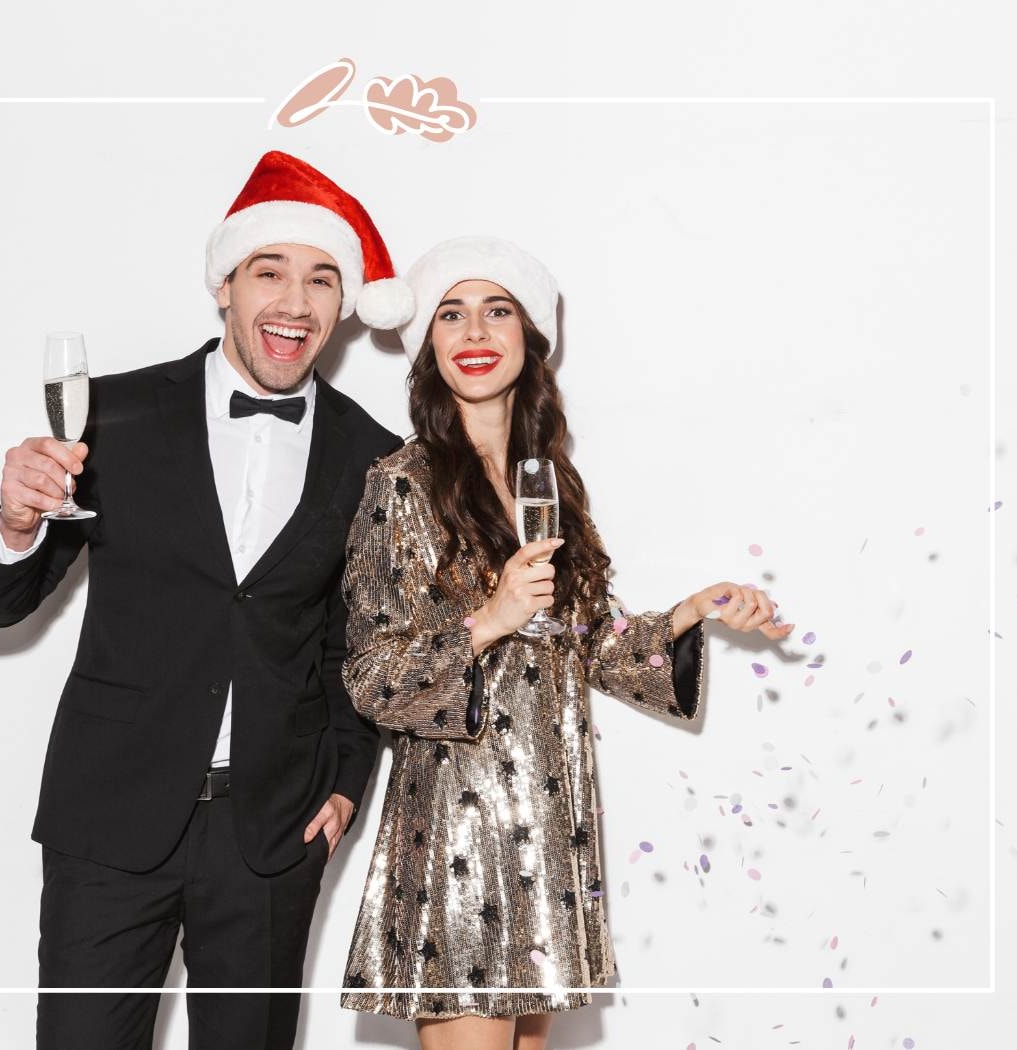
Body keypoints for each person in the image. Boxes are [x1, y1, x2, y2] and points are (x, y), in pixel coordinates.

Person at [0, 150, 418, 1050]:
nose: (295, 302)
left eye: (322, 279)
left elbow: (353, 643)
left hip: (271, 836)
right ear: (224, 285)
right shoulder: (114, 414)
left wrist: (344, 785)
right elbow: (2, 606)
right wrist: (17, 521)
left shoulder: (374, 455)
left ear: (341, 304)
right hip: (111, 817)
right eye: (270, 272)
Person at [337, 236, 795, 1049]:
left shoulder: (549, 481)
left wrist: (693, 612)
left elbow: (584, 643)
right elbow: (372, 675)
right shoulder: (401, 482)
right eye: (451, 313)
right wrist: (488, 617)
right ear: (429, 346)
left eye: (496, 310)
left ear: (530, 337)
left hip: (550, 820)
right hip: (457, 826)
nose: (475, 331)